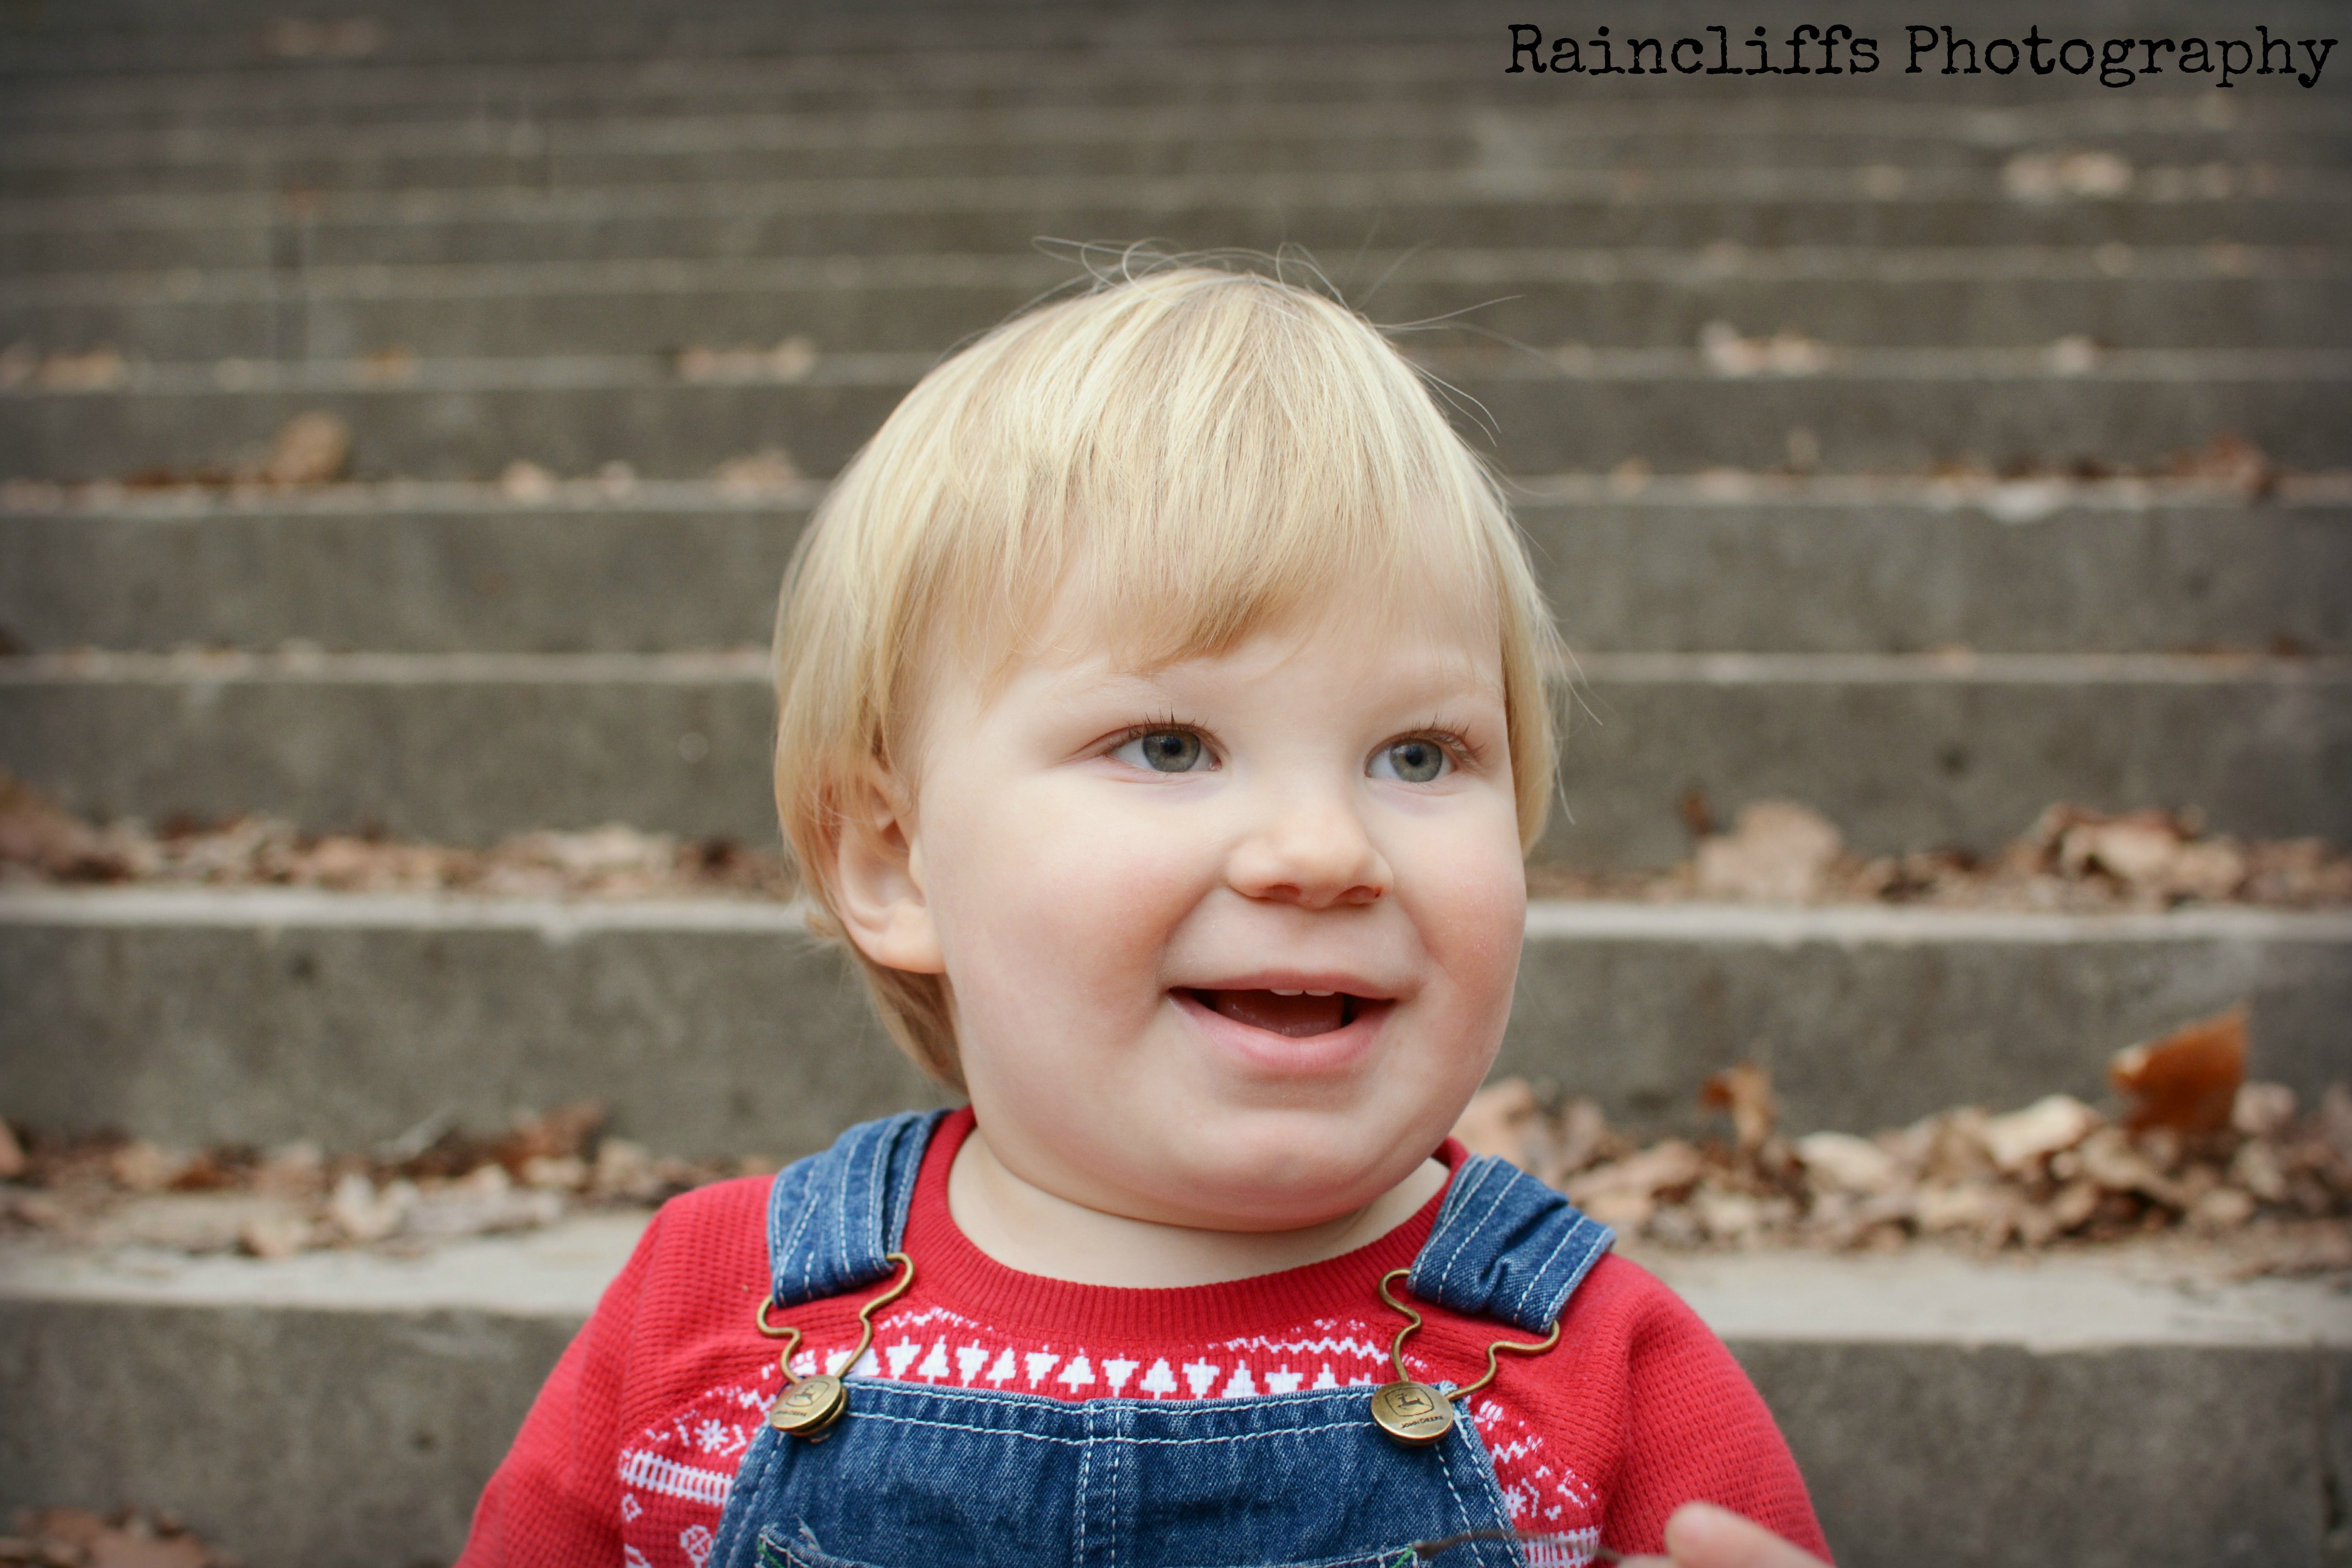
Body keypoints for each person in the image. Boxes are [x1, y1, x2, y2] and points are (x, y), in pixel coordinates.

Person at [458, 263, 1833, 1568]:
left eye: (1418, 755)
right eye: (1170, 746)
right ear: (895, 863)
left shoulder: (1600, 1372)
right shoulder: (709, 1322)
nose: (1322, 851)